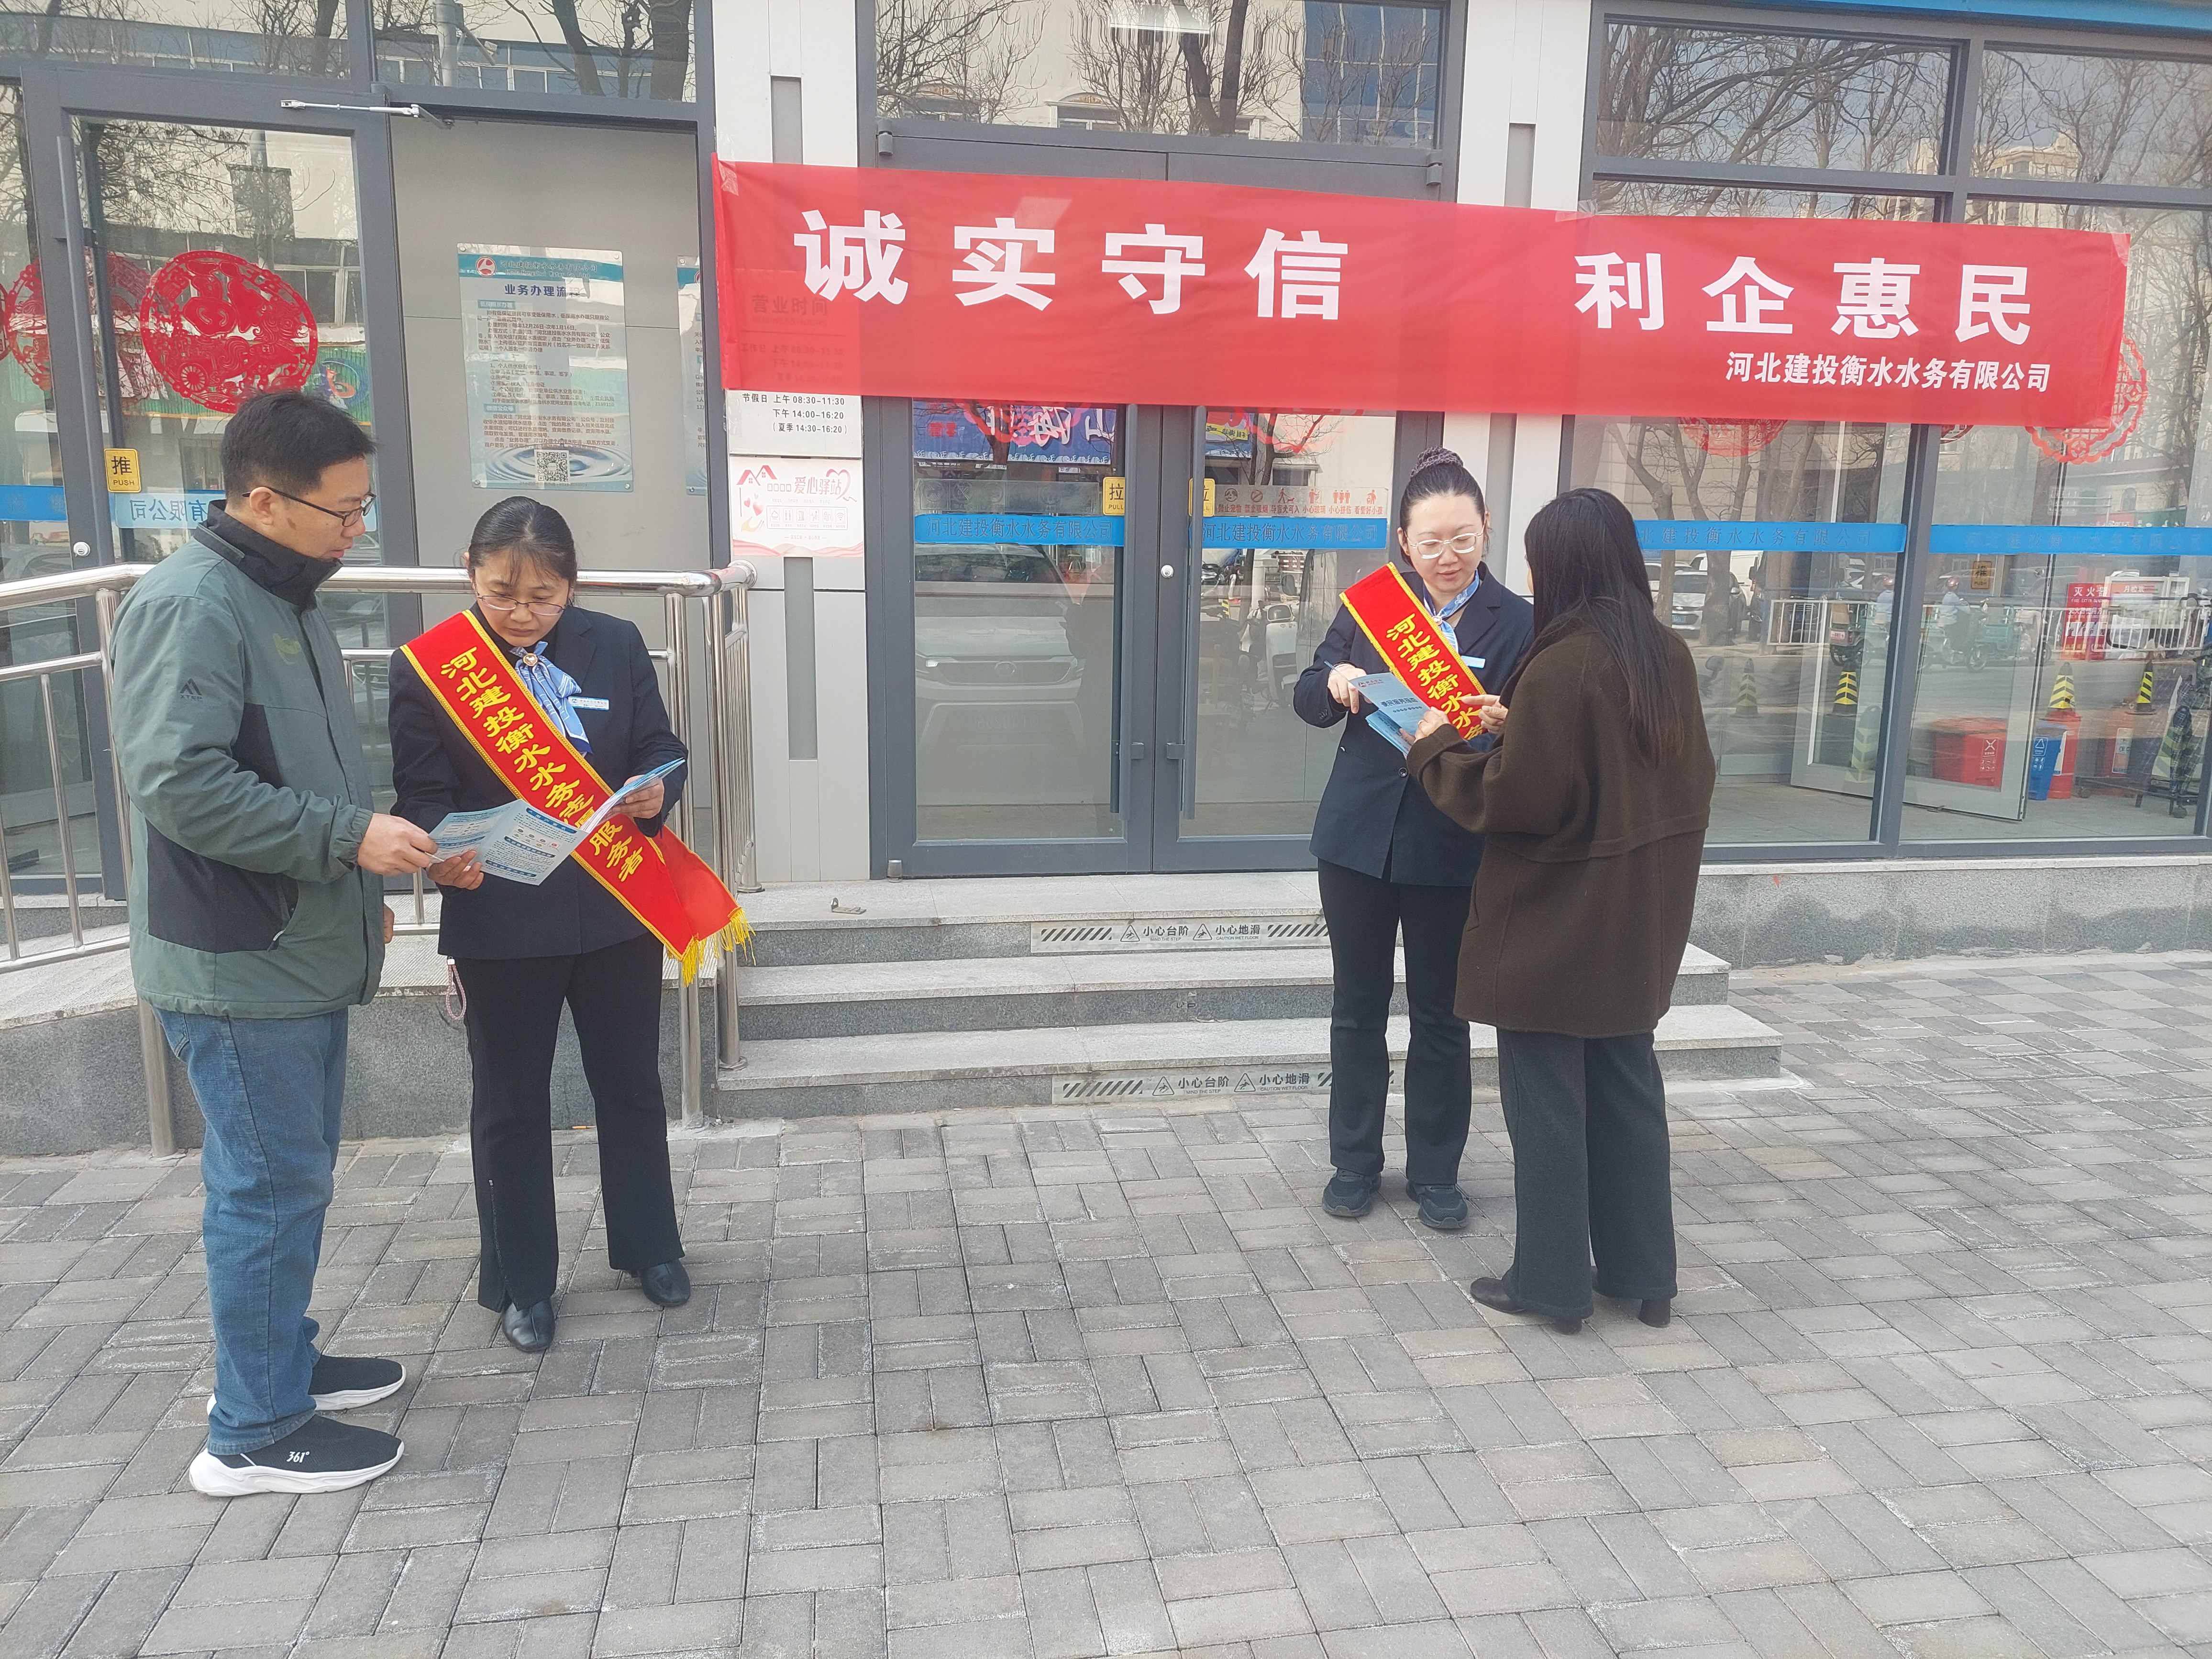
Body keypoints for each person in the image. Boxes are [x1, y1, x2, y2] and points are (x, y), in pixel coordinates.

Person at [110, 390, 438, 1495]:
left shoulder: (280, 594)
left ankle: (279, 1362)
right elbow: (179, 785)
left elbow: (292, 772)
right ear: (261, 501)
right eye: (341, 512)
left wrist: (353, 882)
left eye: (363, 507)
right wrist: (349, 840)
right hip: (236, 959)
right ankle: (251, 1434)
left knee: (291, 1179)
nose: (356, 530)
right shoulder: (192, 605)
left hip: (293, 935)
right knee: (264, 1189)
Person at [1405, 487, 1716, 1333]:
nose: (1533, 578)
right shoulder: (1664, 653)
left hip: (1556, 928)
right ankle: (1645, 1278)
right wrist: (1520, 725)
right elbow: (1655, 776)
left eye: (1539, 563)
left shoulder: (1564, 663)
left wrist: (1433, 748)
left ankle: (1551, 1285)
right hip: (1639, 923)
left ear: (1565, 567)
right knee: (1628, 1095)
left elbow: (1515, 802)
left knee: (1546, 1107)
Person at [388, 498, 691, 1354]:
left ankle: (649, 1247)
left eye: (543, 597)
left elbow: (660, 746)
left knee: (630, 1084)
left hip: (615, 907)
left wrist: (657, 790)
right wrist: (441, 854)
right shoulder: (432, 668)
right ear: (470, 573)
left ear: (573, 585)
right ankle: (521, 1282)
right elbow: (422, 796)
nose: (522, 613)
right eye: (502, 593)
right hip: (502, 912)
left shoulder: (615, 643)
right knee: (510, 1102)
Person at [1291, 448, 1534, 1230]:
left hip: (1451, 840)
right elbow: (1306, 697)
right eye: (1429, 542)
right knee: (1356, 1008)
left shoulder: (1519, 621)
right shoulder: (1375, 607)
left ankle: (1436, 1173)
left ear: (1486, 528)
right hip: (1358, 837)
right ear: (1403, 541)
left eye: (1461, 539)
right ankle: (1354, 1164)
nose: (1446, 556)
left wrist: (1503, 724)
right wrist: (1334, 685)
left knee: (1440, 1015)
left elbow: (1535, 733)